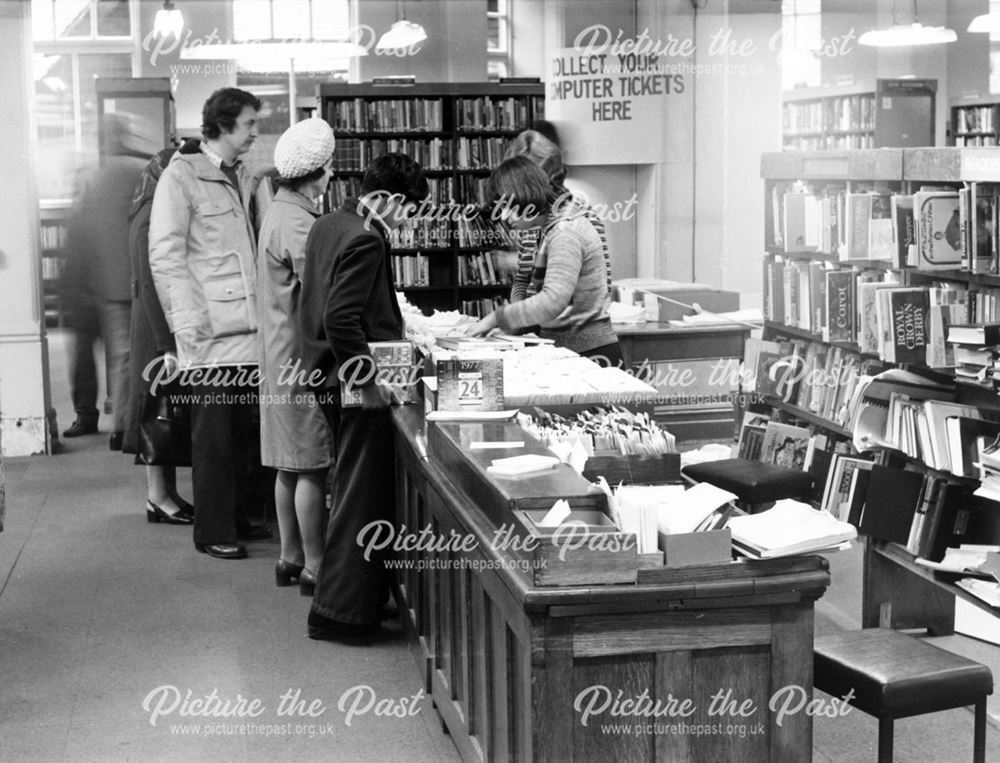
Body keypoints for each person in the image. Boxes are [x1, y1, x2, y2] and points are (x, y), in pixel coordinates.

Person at [298, 153, 428, 642]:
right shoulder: (366, 238)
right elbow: (341, 318)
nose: (410, 222)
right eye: (411, 210)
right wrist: (370, 383)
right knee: (360, 496)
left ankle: (359, 598)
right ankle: (339, 613)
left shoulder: (331, 221)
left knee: (354, 488)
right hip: (350, 384)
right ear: (392, 199)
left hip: (324, 374)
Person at [148, 88, 273, 560]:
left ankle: (239, 515)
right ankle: (212, 528)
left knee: (243, 433)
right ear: (221, 126)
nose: (255, 132)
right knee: (214, 439)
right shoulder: (181, 177)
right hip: (209, 331)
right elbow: (165, 257)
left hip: (248, 326)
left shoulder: (242, 175)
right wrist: (187, 325)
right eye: (248, 124)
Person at [257, 119, 336, 595]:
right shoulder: (301, 222)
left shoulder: (276, 210)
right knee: (311, 464)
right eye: (328, 170)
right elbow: (321, 293)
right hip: (301, 360)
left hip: (276, 355)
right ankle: (316, 564)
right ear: (320, 173)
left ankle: (289, 557)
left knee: (288, 463)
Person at [467, 156, 622, 365]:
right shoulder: (544, 229)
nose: (503, 217)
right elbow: (525, 278)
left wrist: (498, 317)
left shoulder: (565, 232)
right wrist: (516, 323)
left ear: (526, 197)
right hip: (567, 347)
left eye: (508, 207)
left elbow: (553, 300)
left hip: (589, 352)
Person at [63, 116, 148, 447]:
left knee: (115, 357)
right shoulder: (137, 170)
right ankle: (124, 426)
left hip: (102, 284)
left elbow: (84, 232)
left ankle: (112, 422)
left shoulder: (96, 178)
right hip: (128, 280)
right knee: (128, 357)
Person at [121, 147, 194, 526]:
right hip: (154, 325)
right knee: (156, 412)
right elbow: (150, 282)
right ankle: (158, 497)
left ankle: (166, 493)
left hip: (152, 321)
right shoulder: (152, 215)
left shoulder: (147, 207)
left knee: (161, 408)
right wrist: (167, 344)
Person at [502, 129, 612, 313]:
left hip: (570, 327)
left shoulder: (580, 218)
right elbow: (522, 279)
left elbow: (600, 289)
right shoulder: (530, 218)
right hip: (535, 326)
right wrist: (516, 315)